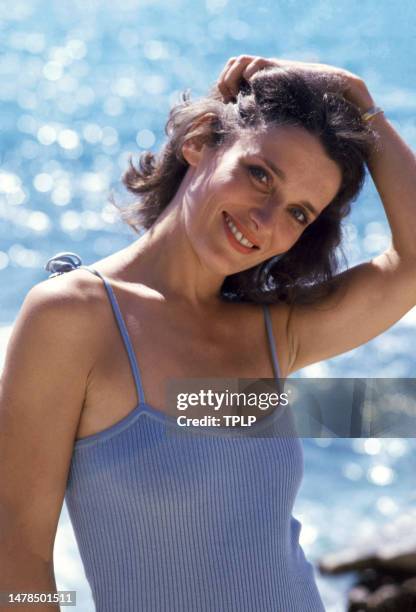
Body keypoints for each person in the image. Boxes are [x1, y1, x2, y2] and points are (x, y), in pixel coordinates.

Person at [1, 55, 415, 612]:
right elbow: (18, 555)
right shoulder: (74, 318)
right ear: (200, 140)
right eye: (260, 174)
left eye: (298, 213)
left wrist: (361, 100)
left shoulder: (273, 333)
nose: (266, 220)